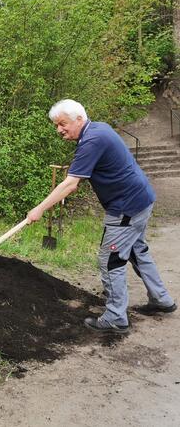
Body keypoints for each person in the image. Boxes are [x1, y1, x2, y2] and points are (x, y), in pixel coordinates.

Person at [27, 99, 176, 334]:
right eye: (56, 125)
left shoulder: (92, 140)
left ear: (79, 119)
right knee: (138, 251)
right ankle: (162, 299)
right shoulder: (99, 129)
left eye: (62, 124)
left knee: (110, 260)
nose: (59, 130)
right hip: (141, 200)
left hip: (126, 208)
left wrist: (39, 209)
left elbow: (70, 185)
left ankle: (116, 317)